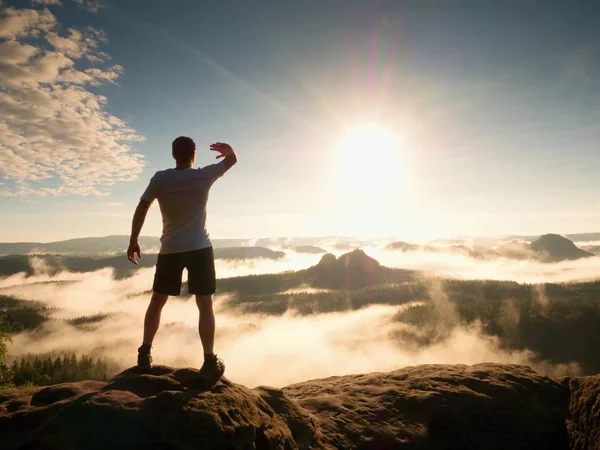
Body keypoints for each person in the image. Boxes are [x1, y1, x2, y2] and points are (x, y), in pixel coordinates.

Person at [127, 137, 237, 378]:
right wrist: (227, 150)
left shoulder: (160, 179)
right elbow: (232, 160)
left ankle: (145, 353)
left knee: (157, 301)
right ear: (194, 153)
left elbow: (142, 206)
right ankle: (209, 361)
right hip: (200, 248)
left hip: (170, 249)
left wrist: (134, 239)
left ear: (173, 153)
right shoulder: (203, 176)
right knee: (205, 304)